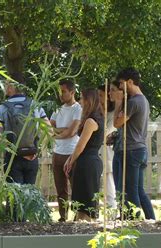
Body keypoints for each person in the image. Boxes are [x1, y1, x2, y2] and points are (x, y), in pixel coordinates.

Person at [113, 68, 155, 220]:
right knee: (138, 190)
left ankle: (134, 221)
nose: (120, 87)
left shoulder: (133, 102)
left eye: (122, 84)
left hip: (130, 150)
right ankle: (151, 220)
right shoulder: (144, 100)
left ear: (130, 82)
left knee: (130, 190)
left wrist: (118, 103)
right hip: (140, 149)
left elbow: (117, 123)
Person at [0, 72, 49, 185]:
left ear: (12, 86)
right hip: (32, 155)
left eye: (6, 84)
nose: (5, 87)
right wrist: (35, 145)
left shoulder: (2, 108)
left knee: (14, 197)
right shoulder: (35, 105)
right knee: (29, 197)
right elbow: (49, 129)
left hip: (12, 159)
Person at [64, 88, 104, 221]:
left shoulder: (91, 121)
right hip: (88, 161)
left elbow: (81, 145)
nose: (80, 101)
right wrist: (70, 158)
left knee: (85, 202)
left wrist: (70, 161)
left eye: (82, 98)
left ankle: (85, 226)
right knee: (83, 200)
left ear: (89, 100)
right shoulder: (98, 118)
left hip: (88, 163)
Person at [49, 79, 82, 222]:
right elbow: (49, 130)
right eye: (59, 91)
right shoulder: (57, 109)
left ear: (72, 92)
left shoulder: (77, 109)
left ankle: (77, 215)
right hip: (57, 153)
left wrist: (59, 132)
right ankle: (63, 216)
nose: (61, 95)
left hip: (71, 152)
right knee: (60, 188)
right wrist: (63, 130)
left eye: (63, 91)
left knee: (75, 186)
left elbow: (73, 131)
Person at [98, 84, 117, 209]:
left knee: (109, 186)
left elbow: (105, 133)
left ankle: (112, 211)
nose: (98, 98)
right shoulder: (96, 113)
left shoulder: (112, 114)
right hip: (96, 152)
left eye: (101, 95)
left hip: (107, 153)